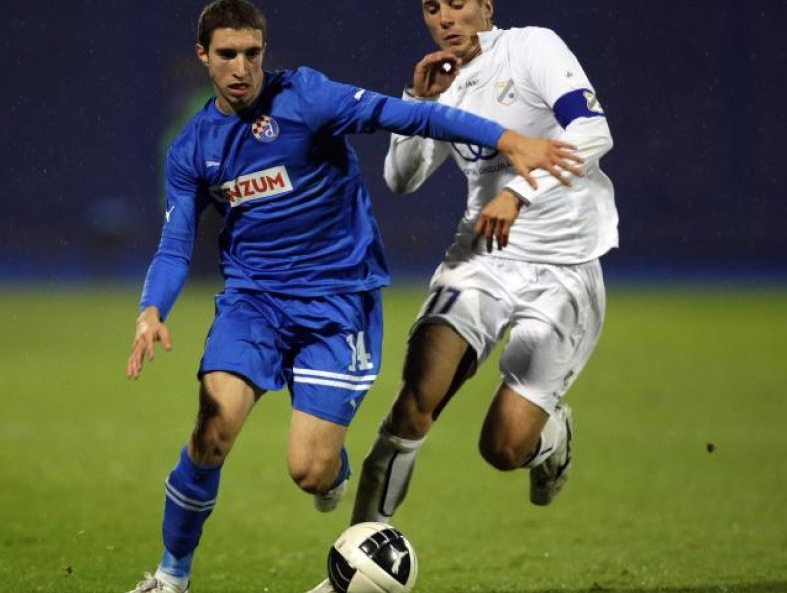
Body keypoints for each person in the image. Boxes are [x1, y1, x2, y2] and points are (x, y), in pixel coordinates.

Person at [125, 1, 581, 591]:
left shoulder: (306, 98)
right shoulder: (193, 147)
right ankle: (170, 577)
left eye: (252, 53)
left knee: (310, 473)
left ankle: (331, 471)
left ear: (264, 50)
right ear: (203, 57)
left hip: (339, 303)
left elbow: (408, 116)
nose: (241, 67)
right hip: (253, 303)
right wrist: (152, 309)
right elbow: (175, 244)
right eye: (227, 55)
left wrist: (507, 139)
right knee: (212, 429)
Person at [307, 0, 618, 590]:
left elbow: (593, 131)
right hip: (481, 259)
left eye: (458, 3)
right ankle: (352, 568)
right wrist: (418, 103)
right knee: (413, 401)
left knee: (503, 447)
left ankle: (551, 436)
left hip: (564, 267)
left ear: (486, 6)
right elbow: (401, 179)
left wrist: (519, 194)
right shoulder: (447, 82)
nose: (446, 17)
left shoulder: (532, 47)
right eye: (433, 7)